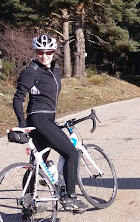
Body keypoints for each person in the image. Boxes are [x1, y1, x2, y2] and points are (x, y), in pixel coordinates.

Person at [12, 33, 88, 212]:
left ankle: (27, 203)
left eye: (48, 52)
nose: (44, 55)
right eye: (40, 52)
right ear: (35, 52)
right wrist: (22, 123)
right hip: (38, 119)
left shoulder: (55, 70)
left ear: (54, 52)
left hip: (47, 119)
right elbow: (18, 99)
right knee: (71, 153)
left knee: (38, 164)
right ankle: (70, 197)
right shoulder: (30, 72)